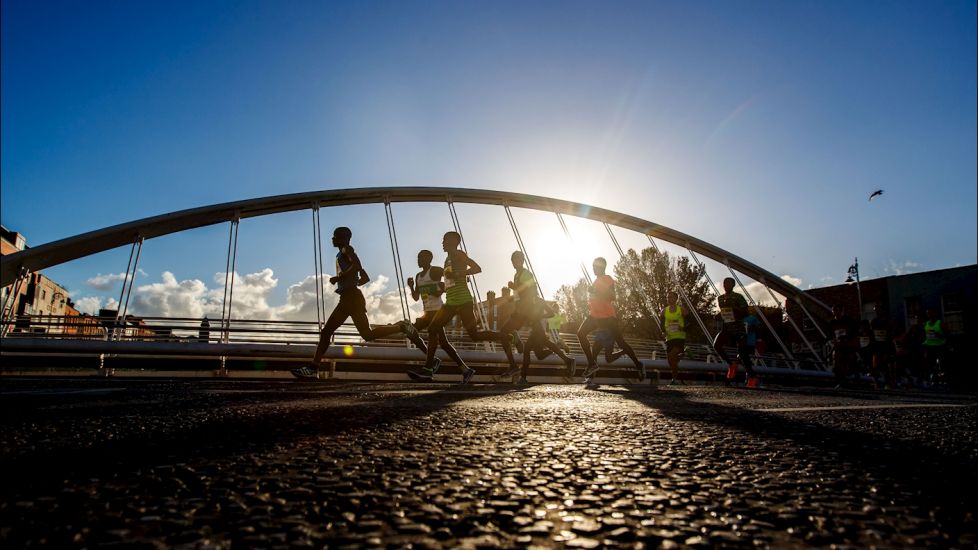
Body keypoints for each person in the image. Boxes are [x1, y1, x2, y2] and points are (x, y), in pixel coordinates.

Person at [292, 227, 428, 379]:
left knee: (329, 332)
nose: (332, 239)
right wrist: (350, 280)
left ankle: (313, 368)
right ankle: (401, 326)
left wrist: (340, 277)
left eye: (335, 236)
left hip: (351, 298)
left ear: (344, 238)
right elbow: (364, 277)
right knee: (365, 334)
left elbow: (356, 267)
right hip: (349, 297)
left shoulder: (346, 249)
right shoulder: (345, 252)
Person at [414, 231, 517, 384]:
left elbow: (477, 268)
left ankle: (508, 337)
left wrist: (460, 273)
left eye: (445, 240)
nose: (442, 243)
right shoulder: (448, 258)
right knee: (433, 328)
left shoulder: (458, 254)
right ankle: (428, 369)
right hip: (451, 302)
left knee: (474, 335)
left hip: (463, 301)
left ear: (453, 242)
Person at [497, 251, 576, 383]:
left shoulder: (525, 273)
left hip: (526, 313)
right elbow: (521, 294)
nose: (513, 262)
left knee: (508, 335)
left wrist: (515, 288)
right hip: (528, 316)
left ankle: (518, 371)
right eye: (512, 260)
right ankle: (567, 359)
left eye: (516, 259)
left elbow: (531, 291)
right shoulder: (517, 275)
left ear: (522, 260)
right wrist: (512, 298)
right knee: (540, 350)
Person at [577, 257, 645, 386]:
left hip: (607, 318)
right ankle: (591, 365)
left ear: (601, 267)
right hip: (595, 317)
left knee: (621, 343)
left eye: (594, 266)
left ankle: (638, 364)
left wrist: (595, 291)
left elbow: (612, 297)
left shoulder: (607, 279)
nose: (593, 268)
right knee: (581, 333)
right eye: (592, 266)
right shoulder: (596, 281)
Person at [403, 250, 447, 378]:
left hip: (438, 311)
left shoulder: (436, 270)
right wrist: (411, 286)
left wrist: (441, 288)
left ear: (428, 259)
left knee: (440, 341)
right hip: (427, 312)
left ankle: (429, 367)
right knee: (410, 332)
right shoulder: (418, 276)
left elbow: (450, 280)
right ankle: (434, 362)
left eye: (420, 258)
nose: (418, 260)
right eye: (418, 258)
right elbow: (417, 297)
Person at [714, 277, 757, 386]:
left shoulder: (738, 297)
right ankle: (731, 364)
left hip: (738, 328)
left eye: (728, 283)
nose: (725, 285)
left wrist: (734, 309)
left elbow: (746, 312)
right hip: (727, 327)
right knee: (716, 345)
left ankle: (752, 377)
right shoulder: (720, 298)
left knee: (742, 354)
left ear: (733, 285)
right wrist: (719, 315)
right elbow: (724, 312)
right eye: (724, 283)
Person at [828, 304, 858, 388]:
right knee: (836, 365)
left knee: (847, 364)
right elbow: (830, 335)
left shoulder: (849, 321)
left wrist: (849, 340)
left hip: (848, 346)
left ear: (842, 311)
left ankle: (851, 380)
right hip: (838, 346)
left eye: (838, 310)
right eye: (834, 310)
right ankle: (840, 382)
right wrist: (832, 340)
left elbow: (854, 333)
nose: (836, 312)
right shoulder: (832, 322)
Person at [661, 291, 686, 385]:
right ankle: (674, 379)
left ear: (676, 299)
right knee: (670, 360)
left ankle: (681, 353)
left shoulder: (682, 310)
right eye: (668, 298)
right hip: (669, 337)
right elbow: (662, 324)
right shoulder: (664, 311)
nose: (669, 299)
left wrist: (683, 327)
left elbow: (690, 321)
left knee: (672, 356)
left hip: (679, 336)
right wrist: (663, 332)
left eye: (671, 297)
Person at [870, 304, 895, 389]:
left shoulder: (888, 321)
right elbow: (872, 334)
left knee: (887, 365)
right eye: (875, 310)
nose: (876, 311)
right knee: (875, 365)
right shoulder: (873, 321)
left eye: (878, 309)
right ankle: (876, 384)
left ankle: (889, 383)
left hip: (886, 345)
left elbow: (891, 334)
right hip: (877, 346)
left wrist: (889, 346)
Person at [921, 308, 947, 385]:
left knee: (942, 364)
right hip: (929, 347)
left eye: (930, 313)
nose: (929, 315)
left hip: (940, 346)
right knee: (930, 364)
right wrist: (924, 348)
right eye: (927, 313)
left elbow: (947, 334)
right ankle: (934, 380)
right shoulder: (926, 324)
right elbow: (924, 337)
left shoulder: (940, 323)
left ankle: (943, 380)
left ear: (934, 314)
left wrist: (938, 335)